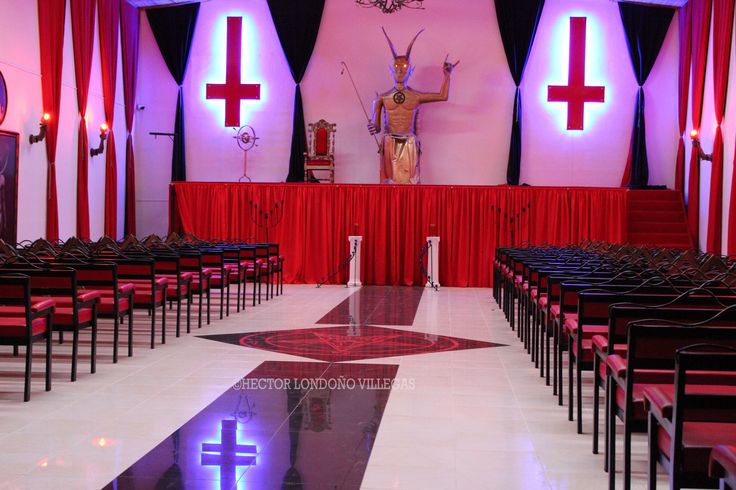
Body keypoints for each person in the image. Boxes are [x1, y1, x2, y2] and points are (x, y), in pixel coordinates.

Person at [368, 28, 457, 184]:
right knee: (388, 184)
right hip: (389, 143)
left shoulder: (416, 96)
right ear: (390, 70)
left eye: (404, 68)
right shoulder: (382, 98)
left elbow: (442, 96)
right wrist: (372, 127)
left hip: (409, 143)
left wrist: (447, 76)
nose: (400, 71)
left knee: (411, 184)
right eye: (396, 67)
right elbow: (376, 127)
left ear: (411, 71)